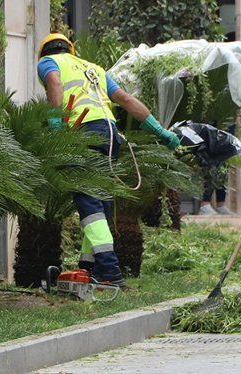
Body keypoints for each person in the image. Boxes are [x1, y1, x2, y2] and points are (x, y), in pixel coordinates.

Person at [37, 33, 181, 286]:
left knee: (88, 205)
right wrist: (160, 131)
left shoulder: (49, 62)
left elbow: (55, 84)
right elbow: (125, 100)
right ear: (71, 50)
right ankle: (88, 269)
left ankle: (111, 273)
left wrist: (56, 125)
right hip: (110, 134)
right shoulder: (93, 69)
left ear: (44, 52)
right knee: (100, 204)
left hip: (82, 133)